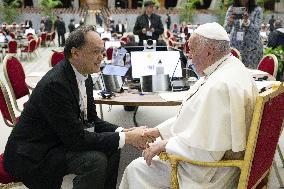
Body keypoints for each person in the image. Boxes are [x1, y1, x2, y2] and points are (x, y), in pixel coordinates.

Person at [4, 26, 148, 189]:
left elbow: (92, 120)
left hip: (58, 137)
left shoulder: (84, 75)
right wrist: (127, 138)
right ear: (75, 53)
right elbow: (76, 140)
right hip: (34, 151)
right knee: (95, 161)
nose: (101, 57)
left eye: (102, 51)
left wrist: (123, 132)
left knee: (113, 147)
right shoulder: (56, 85)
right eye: (96, 52)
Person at [120, 22, 258, 189]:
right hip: (220, 161)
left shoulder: (219, 86)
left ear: (209, 51)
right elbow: (197, 117)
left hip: (211, 173)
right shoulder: (231, 67)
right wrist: (159, 131)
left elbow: (207, 153)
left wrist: (165, 144)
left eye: (192, 49)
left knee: (137, 168)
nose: (189, 56)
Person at [224, 0, 263, 68]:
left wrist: (247, 21)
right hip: (235, 45)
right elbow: (226, 29)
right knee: (234, 69)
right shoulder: (232, 9)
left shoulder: (257, 10)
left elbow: (257, 29)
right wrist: (229, 22)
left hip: (252, 48)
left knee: (250, 72)